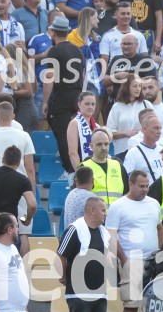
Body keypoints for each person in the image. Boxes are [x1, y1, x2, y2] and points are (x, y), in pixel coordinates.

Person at [57, 197, 111, 312]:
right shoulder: (75, 229)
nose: (105, 214)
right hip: (79, 293)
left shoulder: (104, 232)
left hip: (100, 292)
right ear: (91, 211)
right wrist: (64, 276)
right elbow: (61, 255)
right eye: (102, 210)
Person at [106, 171, 163, 312]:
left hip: (153, 261)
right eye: (141, 186)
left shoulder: (154, 203)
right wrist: (124, 259)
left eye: (147, 186)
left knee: (153, 304)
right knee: (132, 305)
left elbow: (160, 228)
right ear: (131, 184)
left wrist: (160, 252)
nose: (145, 189)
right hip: (132, 260)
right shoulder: (118, 206)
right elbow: (110, 235)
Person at [41, 16, 85, 176]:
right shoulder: (77, 50)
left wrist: (45, 101)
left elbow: (49, 77)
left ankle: (71, 170)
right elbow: (83, 74)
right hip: (77, 94)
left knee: (63, 134)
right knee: (76, 132)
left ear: (52, 32)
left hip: (62, 96)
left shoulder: (55, 51)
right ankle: (78, 166)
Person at [80, 130, 128, 206]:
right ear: (91, 146)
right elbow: (79, 197)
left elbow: (127, 193)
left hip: (117, 216)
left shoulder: (118, 165)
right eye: (99, 144)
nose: (103, 147)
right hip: (95, 216)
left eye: (106, 144)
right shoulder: (84, 167)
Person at [66, 92, 97, 172]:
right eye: (87, 104)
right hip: (78, 172)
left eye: (93, 104)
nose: (90, 107)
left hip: (95, 172)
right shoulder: (74, 123)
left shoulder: (97, 127)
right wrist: (81, 174)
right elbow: (73, 153)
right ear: (79, 104)